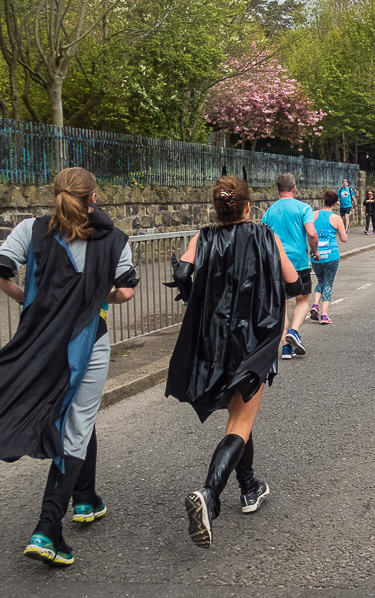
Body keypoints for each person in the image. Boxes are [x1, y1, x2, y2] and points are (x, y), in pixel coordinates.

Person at [0, 167, 137, 567]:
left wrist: (28, 301)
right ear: (94, 198)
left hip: (39, 343)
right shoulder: (113, 238)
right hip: (87, 343)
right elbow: (125, 290)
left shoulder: (30, 229)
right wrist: (93, 296)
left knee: (79, 418)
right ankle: (47, 528)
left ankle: (86, 499)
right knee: (77, 423)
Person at [165, 176, 301, 549]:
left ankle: (249, 487)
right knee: (242, 419)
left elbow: (181, 273)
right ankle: (209, 494)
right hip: (254, 341)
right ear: (247, 206)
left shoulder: (202, 237)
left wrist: (195, 292)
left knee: (242, 415)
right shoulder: (264, 235)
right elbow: (294, 283)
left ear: (217, 208)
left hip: (212, 340)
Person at [261, 173, 319, 359]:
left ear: (278, 189)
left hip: (276, 262)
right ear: (294, 189)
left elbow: (263, 236)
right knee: (302, 299)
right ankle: (294, 331)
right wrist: (315, 250)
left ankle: (285, 348)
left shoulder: (269, 211)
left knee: (282, 303)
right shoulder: (304, 208)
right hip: (298, 261)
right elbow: (311, 231)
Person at [311, 190, 347, 324]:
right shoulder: (336, 218)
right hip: (331, 255)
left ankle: (315, 305)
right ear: (336, 203)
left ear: (324, 201)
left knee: (320, 280)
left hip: (316, 254)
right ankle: (324, 315)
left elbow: (308, 232)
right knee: (328, 283)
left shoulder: (314, 214)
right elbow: (344, 238)